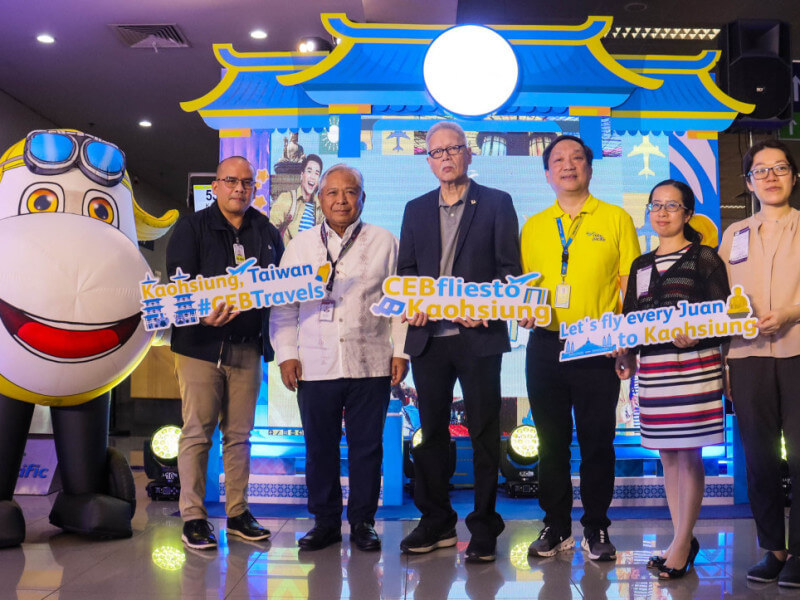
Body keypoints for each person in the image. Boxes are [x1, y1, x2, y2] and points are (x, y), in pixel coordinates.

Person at [397, 121, 521, 563]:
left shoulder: (497, 202)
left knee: (484, 432)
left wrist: (486, 305)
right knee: (431, 434)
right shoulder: (414, 209)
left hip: (478, 337)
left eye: (453, 149)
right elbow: (406, 272)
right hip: (429, 339)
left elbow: (510, 271)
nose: (446, 157)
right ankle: (436, 520)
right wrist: (413, 301)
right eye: (437, 152)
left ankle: (484, 525)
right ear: (428, 161)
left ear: (469, 154)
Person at [270, 164, 409, 552]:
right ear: (320, 198)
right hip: (315, 363)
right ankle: (325, 522)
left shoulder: (385, 241)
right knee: (320, 448)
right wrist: (287, 354)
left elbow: (402, 302)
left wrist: (401, 351)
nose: (341, 200)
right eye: (332, 193)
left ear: (363, 198)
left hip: (371, 361)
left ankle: (363, 522)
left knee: (367, 448)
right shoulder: (299, 246)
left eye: (350, 192)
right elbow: (284, 306)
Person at [520, 134, 640, 561]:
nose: (567, 165)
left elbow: (630, 288)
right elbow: (523, 290)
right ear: (547, 174)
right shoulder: (533, 226)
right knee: (550, 442)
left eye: (576, 158)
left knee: (597, 441)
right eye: (558, 160)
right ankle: (556, 526)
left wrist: (627, 346)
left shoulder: (616, 218)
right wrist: (521, 311)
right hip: (545, 345)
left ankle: (596, 527)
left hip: (598, 346)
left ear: (590, 167)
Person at [167, 156, 283, 550]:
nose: (239, 188)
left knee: (239, 436)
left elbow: (280, 286)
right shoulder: (192, 227)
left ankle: (238, 514)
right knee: (198, 432)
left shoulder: (266, 231)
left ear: (254, 188)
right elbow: (177, 287)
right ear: (215, 186)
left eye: (246, 182)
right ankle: (193, 517)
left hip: (247, 347)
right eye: (231, 181)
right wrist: (201, 313)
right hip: (200, 348)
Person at [617, 180, 730, 579]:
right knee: (667, 455)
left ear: (688, 213)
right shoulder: (640, 265)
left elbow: (723, 314)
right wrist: (626, 353)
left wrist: (698, 334)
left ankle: (681, 543)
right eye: (656, 205)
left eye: (672, 206)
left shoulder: (704, 258)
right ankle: (681, 538)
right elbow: (631, 317)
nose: (662, 213)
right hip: (655, 371)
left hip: (694, 368)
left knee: (689, 453)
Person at [719, 140, 800, 587]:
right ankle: (774, 549)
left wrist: (791, 312)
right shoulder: (734, 235)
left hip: (798, 351)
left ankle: (799, 552)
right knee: (759, 457)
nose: (770, 177)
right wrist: (724, 363)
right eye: (760, 170)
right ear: (748, 183)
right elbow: (720, 304)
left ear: (794, 176)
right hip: (746, 356)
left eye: (780, 168)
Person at [270, 154, 323, 246]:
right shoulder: (287, 198)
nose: (312, 177)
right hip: (288, 253)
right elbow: (269, 230)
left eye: (316, 173)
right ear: (302, 175)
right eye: (309, 171)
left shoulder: (320, 207)